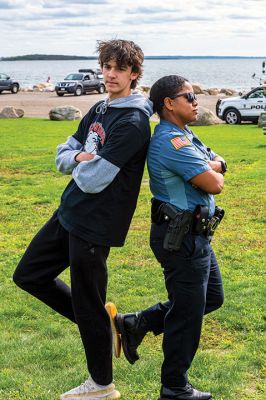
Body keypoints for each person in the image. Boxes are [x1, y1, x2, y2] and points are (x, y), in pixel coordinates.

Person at [13, 39, 153, 400]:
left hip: (96, 222)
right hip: (69, 211)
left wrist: (79, 160)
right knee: (28, 275)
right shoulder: (101, 108)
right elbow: (63, 154)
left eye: (119, 69)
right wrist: (78, 159)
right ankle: (102, 324)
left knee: (89, 301)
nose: (110, 74)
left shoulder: (133, 120)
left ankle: (102, 385)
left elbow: (96, 180)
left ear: (134, 74)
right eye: (106, 66)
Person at [107, 75, 226, 400]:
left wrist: (213, 165)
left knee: (211, 298)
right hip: (182, 238)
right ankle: (175, 387)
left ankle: (137, 323)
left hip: (195, 235)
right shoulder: (170, 142)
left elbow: (216, 161)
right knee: (187, 313)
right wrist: (213, 168)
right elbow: (215, 182)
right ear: (169, 104)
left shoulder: (185, 134)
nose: (195, 100)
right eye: (188, 96)